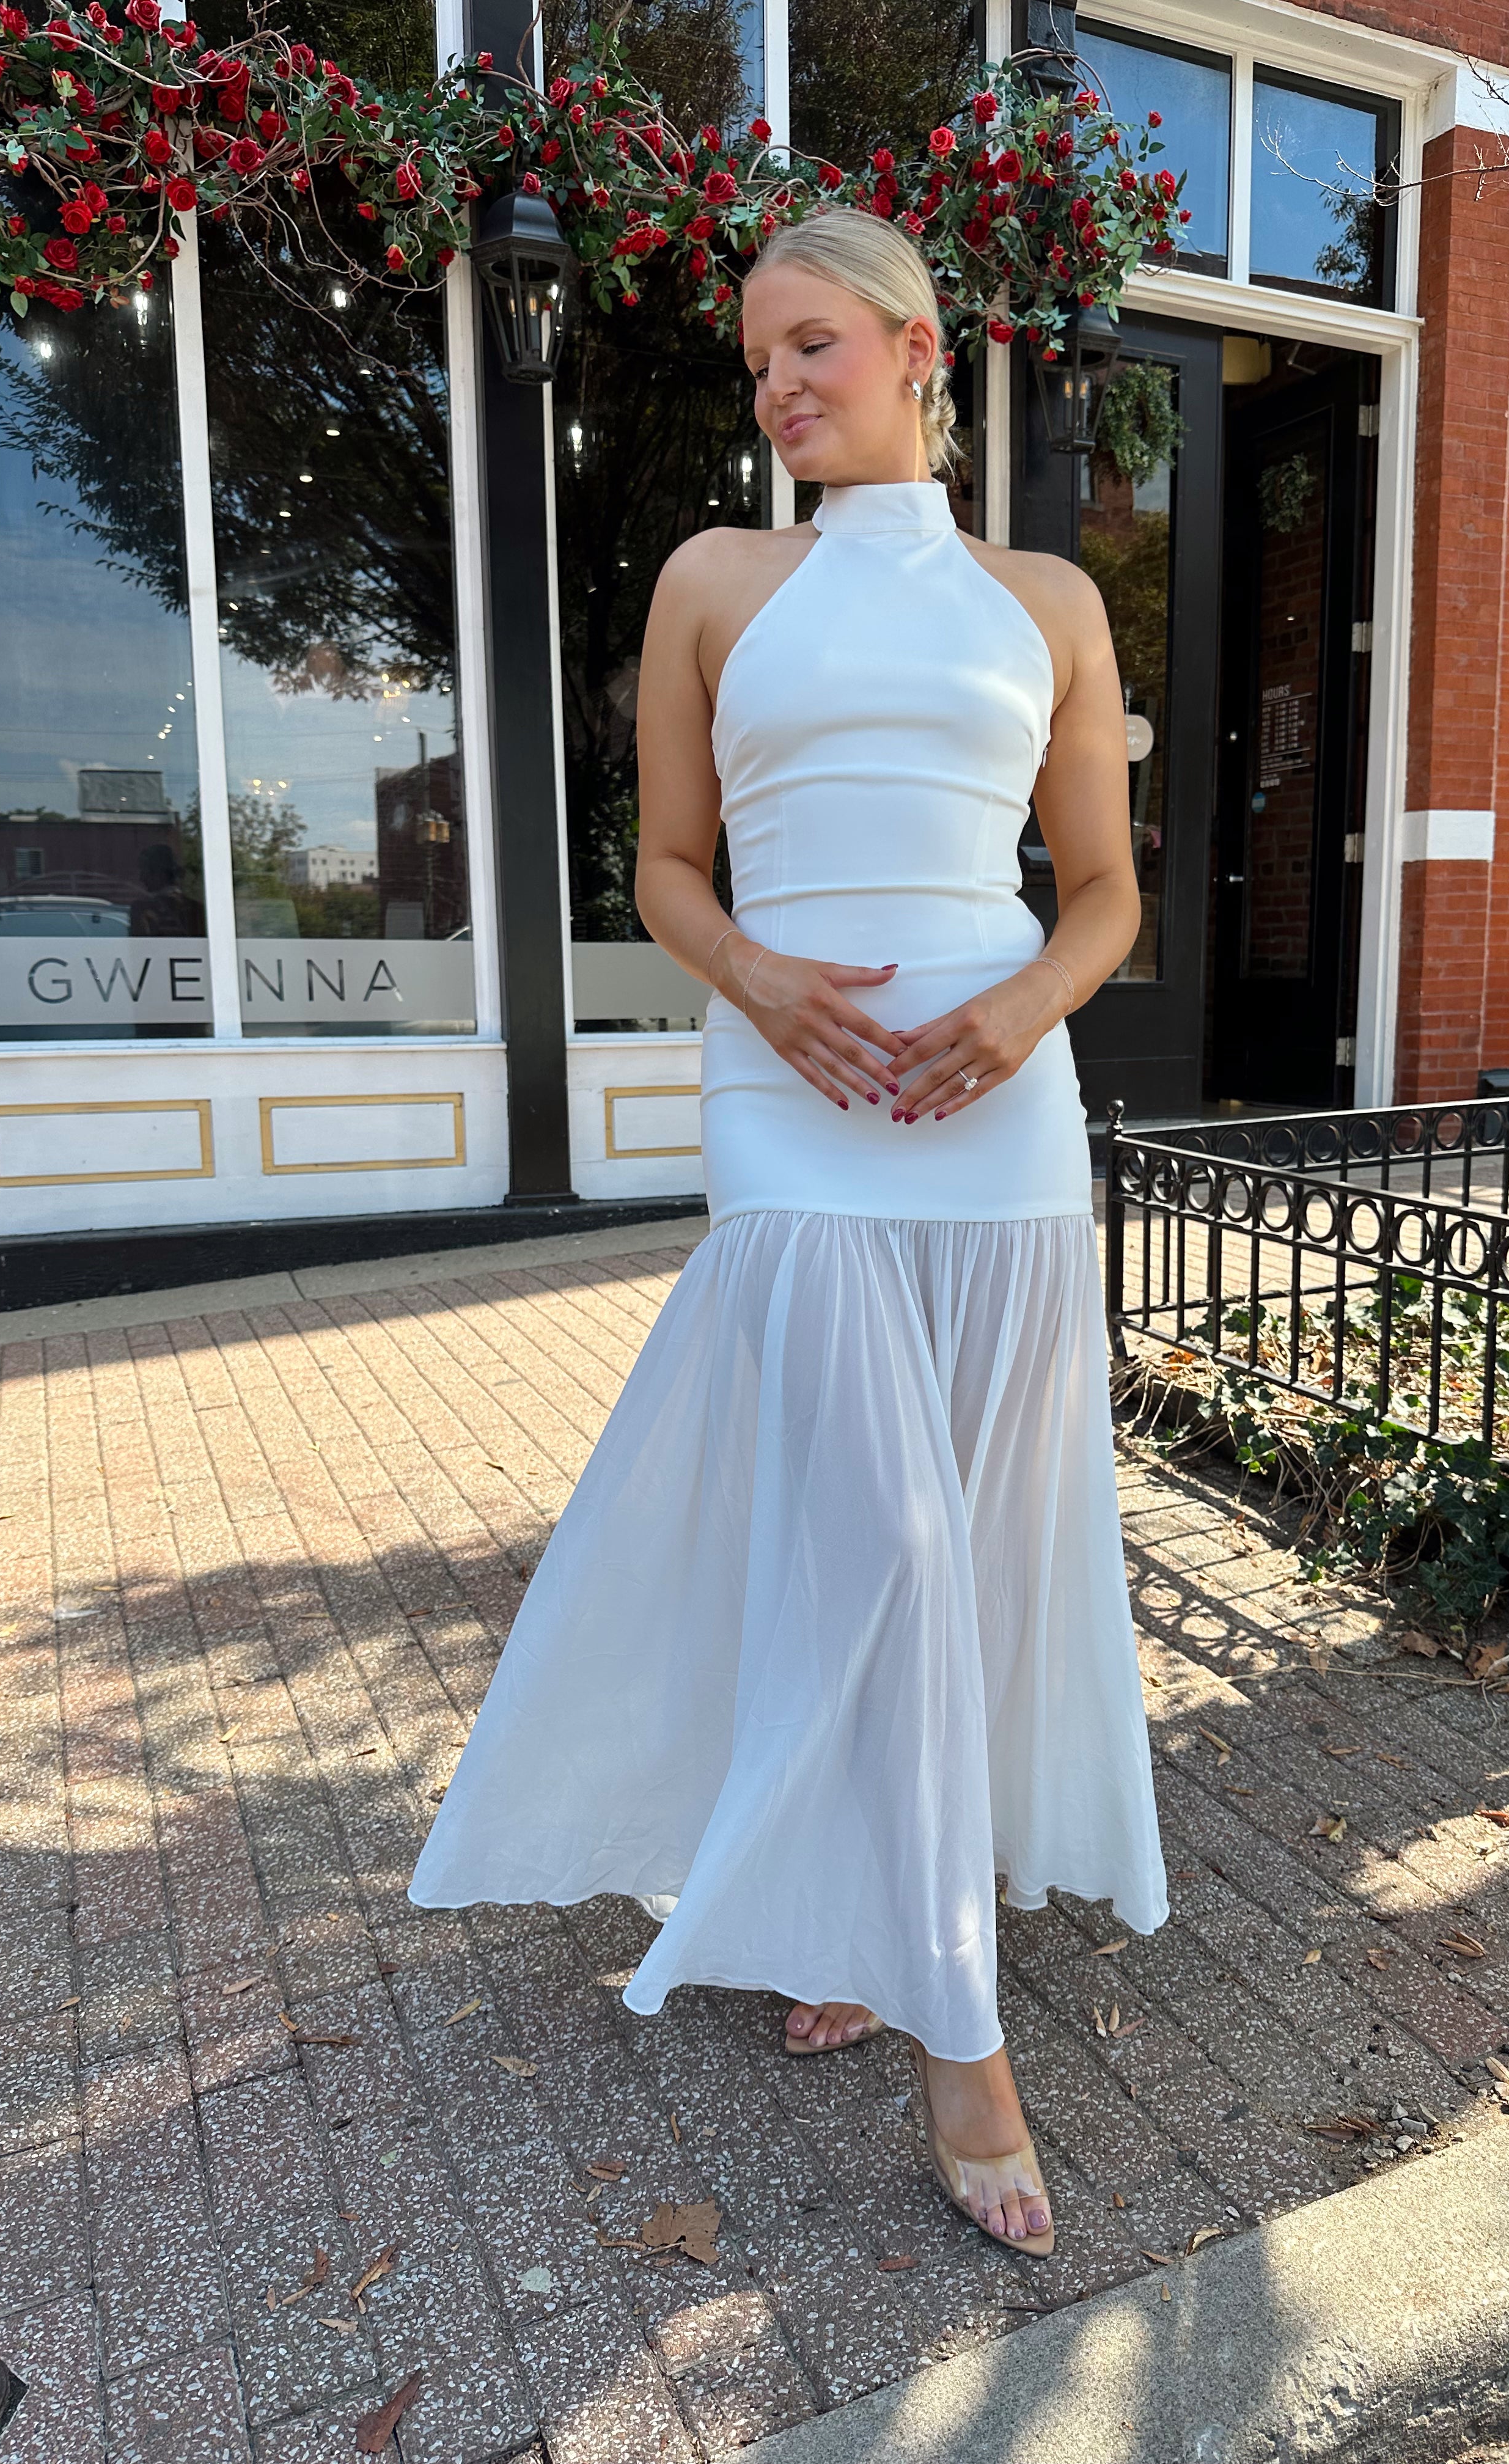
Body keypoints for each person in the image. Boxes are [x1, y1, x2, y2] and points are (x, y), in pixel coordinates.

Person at [411, 206, 1168, 2256]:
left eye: (812, 344)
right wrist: (758, 981)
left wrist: (1023, 1009)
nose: (777, 385)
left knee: (961, 1537)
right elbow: (666, 865)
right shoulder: (715, 581)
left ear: (919, 348)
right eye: (760, 359)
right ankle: (962, 2044)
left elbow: (1104, 890)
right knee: (884, 1536)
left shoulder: (1047, 602)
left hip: (998, 1119)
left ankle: (854, 1908)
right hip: (791, 1103)